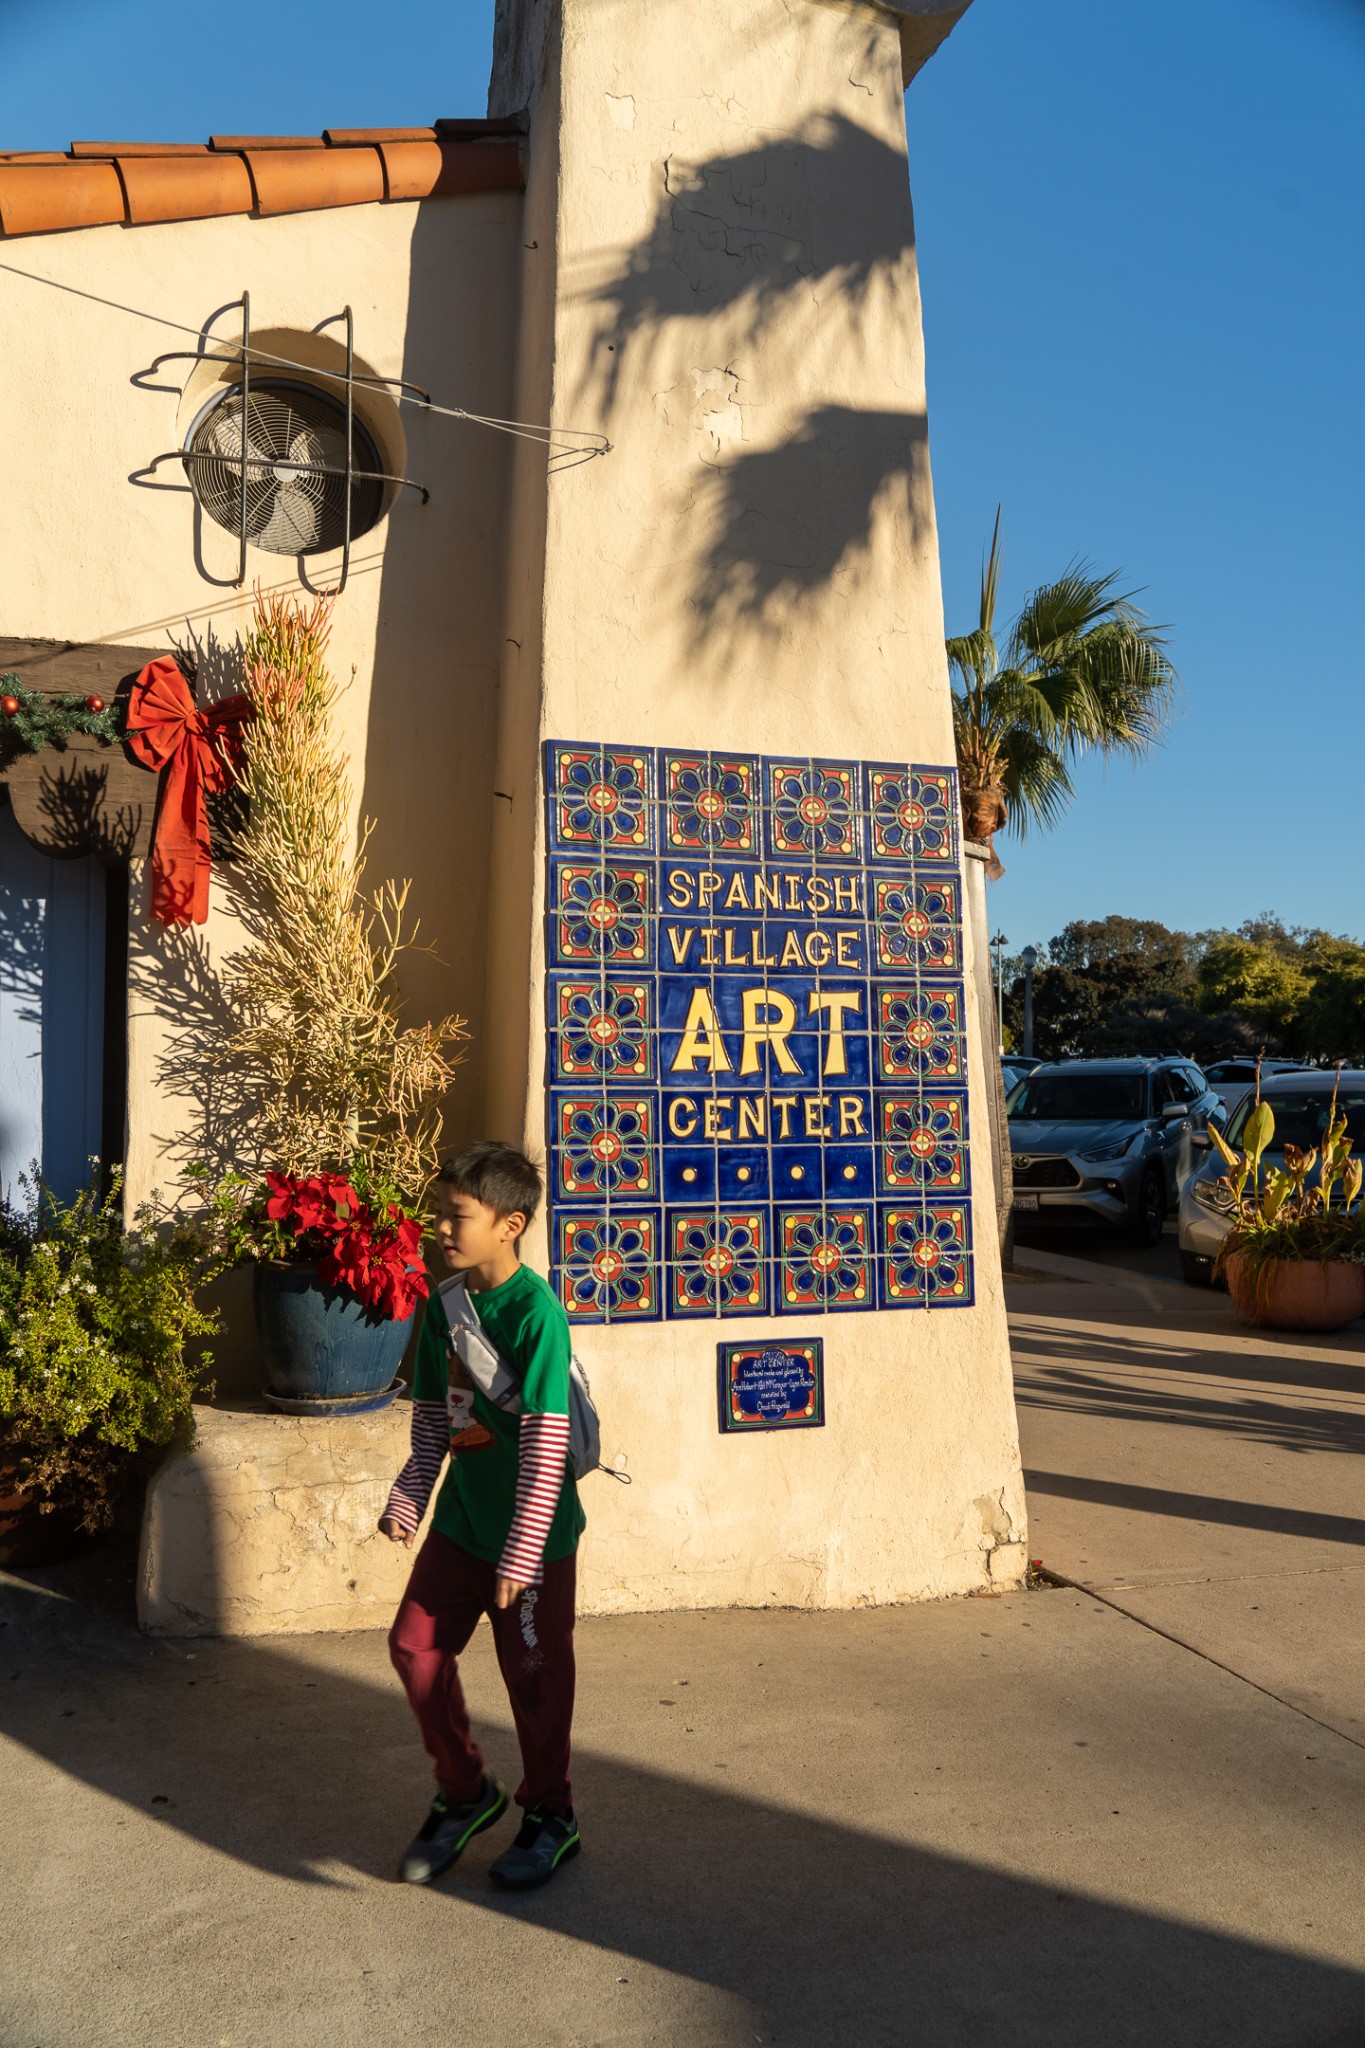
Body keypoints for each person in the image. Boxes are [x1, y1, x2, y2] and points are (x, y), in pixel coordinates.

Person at [380, 1140, 585, 1890]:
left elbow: (544, 1444)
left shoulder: (537, 1315)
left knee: (533, 1680)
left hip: (532, 1542)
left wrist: (523, 1552)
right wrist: (410, 1494)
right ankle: (465, 1794)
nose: (440, 1228)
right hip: (464, 1525)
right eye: (438, 1213)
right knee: (414, 1649)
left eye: (456, 1216)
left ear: (510, 1224)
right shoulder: (444, 1306)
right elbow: (434, 1416)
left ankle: (550, 1814)